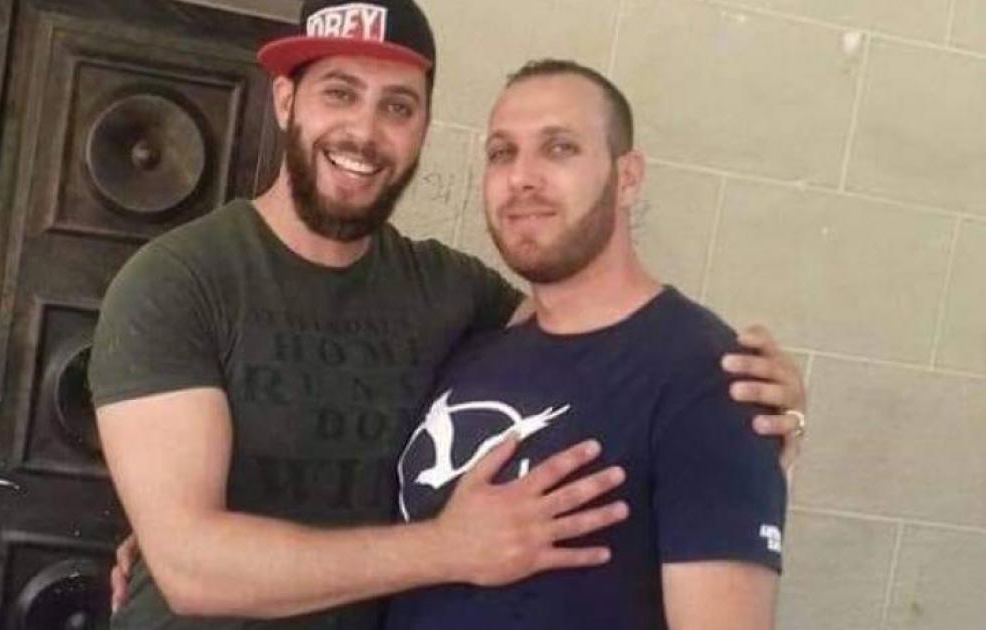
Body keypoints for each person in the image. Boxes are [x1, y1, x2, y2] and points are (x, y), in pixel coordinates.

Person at [90, 1, 806, 628]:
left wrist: (754, 402)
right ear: (286, 101)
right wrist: (448, 548)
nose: (365, 131)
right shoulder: (178, 281)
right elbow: (191, 569)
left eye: (398, 106)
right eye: (339, 92)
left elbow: (594, 334)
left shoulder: (452, 293)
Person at [385, 59, 787, 630]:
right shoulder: (476, 353)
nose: (521, 177)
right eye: (502, 152)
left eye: (559, 148)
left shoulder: (709, 378)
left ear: (627, 178)